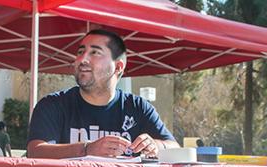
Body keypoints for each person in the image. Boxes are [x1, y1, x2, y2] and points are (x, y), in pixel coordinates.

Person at [27, 29, 179, 158]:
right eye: (80, 52)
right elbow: (35, 151)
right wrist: (87, 149)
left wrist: (155, 145)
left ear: (118, 67)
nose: (82, 59)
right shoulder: (53, 105)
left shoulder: (138, 108)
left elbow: (175, 148)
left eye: (95, 52)